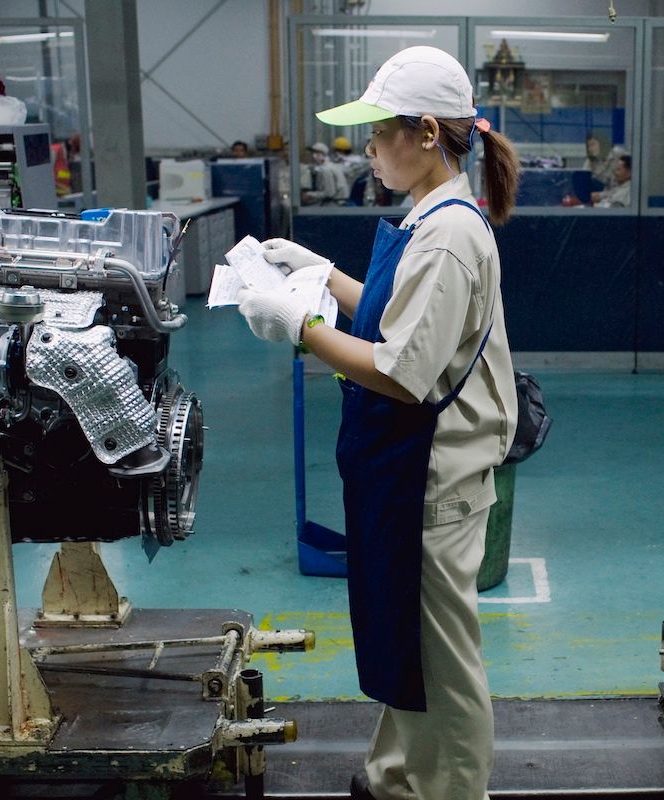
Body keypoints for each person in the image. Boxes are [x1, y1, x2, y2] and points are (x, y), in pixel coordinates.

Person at [233, 45, 518, 800]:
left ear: (427, 133)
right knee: (408, 645)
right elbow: (402, 320)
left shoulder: (452, 234)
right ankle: (399, 777)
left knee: (440, 664)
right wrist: (318, 274)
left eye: (378, 132)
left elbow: (400, 371)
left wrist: (300, 326)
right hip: (411, 474)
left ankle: (450, 791)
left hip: (434, 479)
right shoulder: (433, 219)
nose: (367, 149)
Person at [301, 141, 350, 206]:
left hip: (335, 205)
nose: (311, 156)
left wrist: (309, 194)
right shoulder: (330, 166)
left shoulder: (326, 170)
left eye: (314, 153)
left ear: (320, 155)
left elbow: (329, 193)